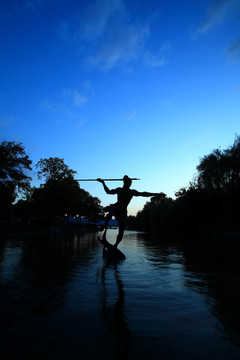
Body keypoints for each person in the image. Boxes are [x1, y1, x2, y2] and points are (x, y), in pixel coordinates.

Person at [97, 175, 159, 247]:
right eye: (129, 182)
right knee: (111, 211)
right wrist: (103, 183)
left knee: (121, 231)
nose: (130, 184)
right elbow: (108, 192)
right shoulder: (119, 190)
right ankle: (104, 225)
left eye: (131, 183)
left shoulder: (131, 192)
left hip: (123, 212)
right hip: (116, 207)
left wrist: (154, 194)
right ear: (125, 182)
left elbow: (143, 194)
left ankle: (115, 245)